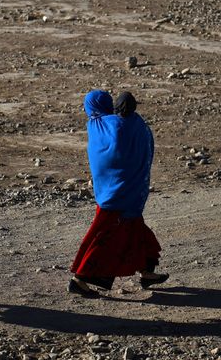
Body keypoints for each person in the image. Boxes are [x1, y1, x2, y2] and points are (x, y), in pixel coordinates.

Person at [68, 90, 168, 298]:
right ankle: (79, 279)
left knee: (134, 232)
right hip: (124, 194)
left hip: (111, 193)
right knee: (105, 238)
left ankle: (147, 271)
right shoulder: (135, 125)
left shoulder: (98, 125)